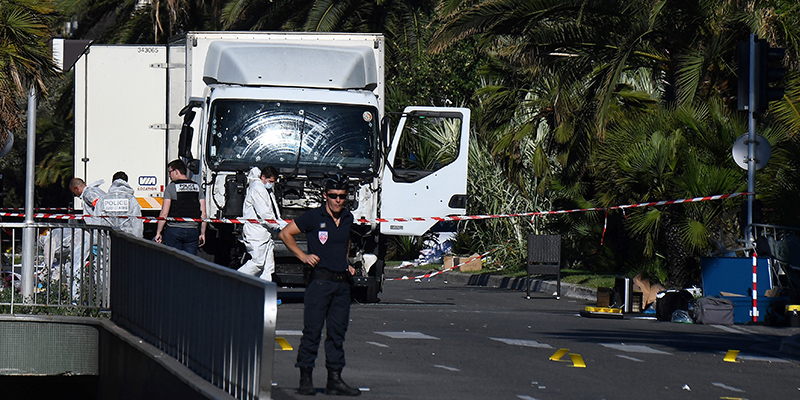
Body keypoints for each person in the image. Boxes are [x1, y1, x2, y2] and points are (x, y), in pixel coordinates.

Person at [279, 176, 360, 397]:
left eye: (342, 197)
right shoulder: (314, 217)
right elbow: (285, 234)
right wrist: (303, 256)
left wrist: (347, 263)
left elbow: (346, 242)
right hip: (319, 281)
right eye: (333, 196)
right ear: (325, 195)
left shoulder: (347, 218)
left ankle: (334, 379)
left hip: (342, 285)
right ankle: (305, 377)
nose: (337, 201)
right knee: (312, 332)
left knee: (337, 334)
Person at [238, 166, 284, 281]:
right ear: (263, 177)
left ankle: (265, 294)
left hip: (264, 233)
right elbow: (264, 212)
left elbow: (270, 211)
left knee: (268, 268)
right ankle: (233, 279)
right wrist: (277, 225)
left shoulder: (265, 189)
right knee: (257, 263)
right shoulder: (257, 189)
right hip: (256, 233)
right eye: (270, 181)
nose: (272, 184)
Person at [154, 159, 207, 255]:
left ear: (176, 171)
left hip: (174, 230)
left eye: (170, 172)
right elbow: (203, 213)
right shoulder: (197, 187)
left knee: (174, 261)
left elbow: (164, 213)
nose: (169, 175)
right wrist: (202, 233)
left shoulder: (171, 187)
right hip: (192, 230)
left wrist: (159, 232)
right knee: (191, 262)